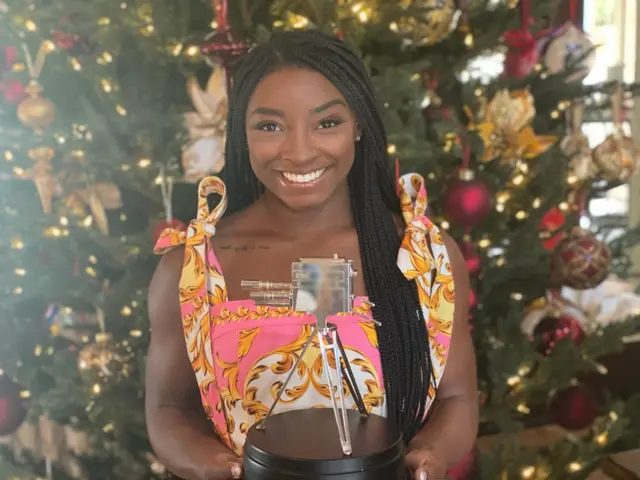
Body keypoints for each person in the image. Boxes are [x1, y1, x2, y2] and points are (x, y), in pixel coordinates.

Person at [146, 30, 478, 480]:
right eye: (270, 126)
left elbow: (457, 397)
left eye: (327, 123)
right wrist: (214, 466)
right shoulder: (192, 269)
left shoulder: (424, 259)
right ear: (242, 132)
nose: (300, 153)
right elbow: (169, 407)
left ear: (358, 124)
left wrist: (430, 458)